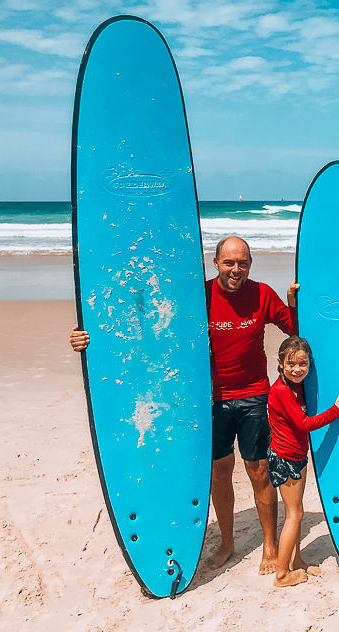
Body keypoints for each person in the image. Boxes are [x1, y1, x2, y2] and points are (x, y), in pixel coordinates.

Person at [69, 235, 299, 575]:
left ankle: (269, 544)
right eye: (230, 262)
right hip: (209, 399)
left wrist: (294, 303)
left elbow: (294, 329)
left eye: (243, 263)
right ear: (215, 262)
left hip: (253, 396)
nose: (237, 269)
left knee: (259, 470)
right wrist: (88, 337)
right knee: (220, 472)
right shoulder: (198, 296)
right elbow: (147, 329)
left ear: (250, 264)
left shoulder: (262, 294)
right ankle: (227, 542)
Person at [267, 336, 339, 587]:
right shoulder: (281, 391)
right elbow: (304, 424)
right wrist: (336, 410)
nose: (297, 369)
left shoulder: (297, 386)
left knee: (298, 512)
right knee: (294, 515)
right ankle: (282, 574)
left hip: (297, 455)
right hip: (285, 459)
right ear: (280, 363)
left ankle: (296, 561)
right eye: (291, 364)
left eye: (303, 364)